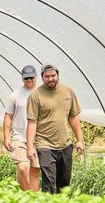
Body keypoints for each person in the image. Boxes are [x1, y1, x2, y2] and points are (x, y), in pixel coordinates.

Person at [26, 63, 83, 194]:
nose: (51, 79)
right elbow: (32, 123)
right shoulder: (36, 95)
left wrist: (79, 140)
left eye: (53, 76)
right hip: (44, 145)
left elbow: (73, 117)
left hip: (65, 145)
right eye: (47, 76)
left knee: (64, 185)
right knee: (49, 184)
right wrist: (30, 147)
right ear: (41, 77)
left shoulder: (68, 92)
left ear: (58, 75)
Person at [3, 65, 39, 191]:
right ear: (22, 79)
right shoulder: (15, 96)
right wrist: (7, 137)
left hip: (38, 138)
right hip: (20, 137)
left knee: (34, 171)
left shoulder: (41, 93)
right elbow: (8, 117)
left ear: (36, 77)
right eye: (26, 78)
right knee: (23, 168)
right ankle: (25, 195)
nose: (29, 80)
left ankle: (33, 201)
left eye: (31, 78)